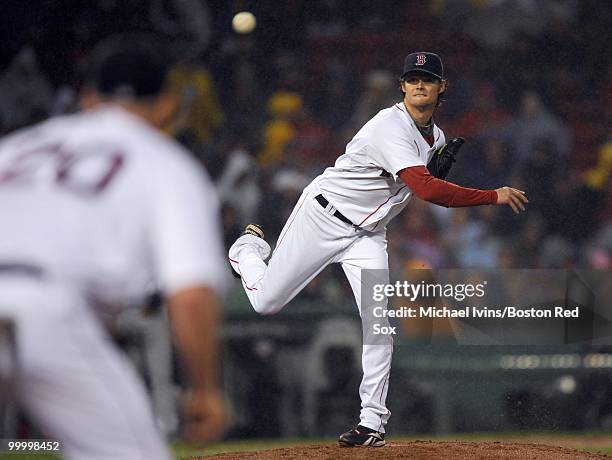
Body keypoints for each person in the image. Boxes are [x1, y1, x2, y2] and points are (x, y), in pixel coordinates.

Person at [228, 52, 528, 447]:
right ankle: (246, 248)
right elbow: (426, 190)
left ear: (442, 88)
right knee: (266, 302)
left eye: (428, 79)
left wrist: (430, 174)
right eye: (412, 78)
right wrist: (493, 195)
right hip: (324, 216)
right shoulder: (390, 124)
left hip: (368, 234)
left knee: (380, 322)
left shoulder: (435, 138)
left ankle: (372, 422)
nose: (420, 84)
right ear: (402, 86)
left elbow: (417, 183)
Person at [0, 37, 227, 459]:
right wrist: (206, 390)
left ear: (88, 98)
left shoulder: (15, 149)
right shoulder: (165, 163)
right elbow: (191, 287)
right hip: (43, 306)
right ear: (166, 105)